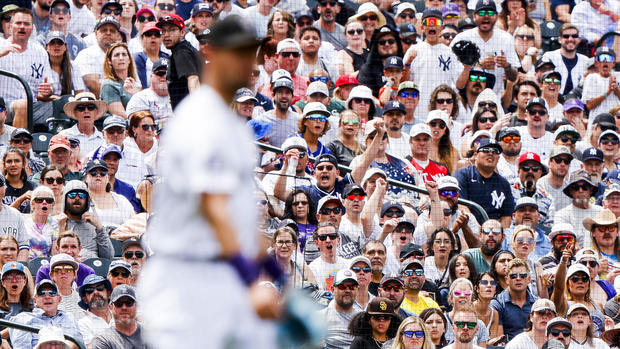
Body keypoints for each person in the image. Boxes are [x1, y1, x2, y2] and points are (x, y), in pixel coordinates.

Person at [139, 17, 280, 348]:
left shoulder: (228, 121)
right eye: (239, 53)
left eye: (252, 54)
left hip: (217, 278)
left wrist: (274, 270)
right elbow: (213, 204)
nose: (249, 63)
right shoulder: (201, 118)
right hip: (187, 283)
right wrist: (250, 280)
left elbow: (239, 216)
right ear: (211, 53)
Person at [450, 0, 519, 98]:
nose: (486, 16)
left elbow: (514, 77)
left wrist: (506, 66)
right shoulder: (462, 39)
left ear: (496, 16)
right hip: (465, 98)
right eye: (481, 13)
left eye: (490, 13)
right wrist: (478, 65)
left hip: (494, 99)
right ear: (474, 16)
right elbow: (457, 82)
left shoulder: (506, 38)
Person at [454, 139, 515, 227]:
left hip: (493, 233)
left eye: (495, 151)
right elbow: (461, 205)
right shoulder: (463, 175)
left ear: (498, 158)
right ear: (475, 155)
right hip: (466, 228)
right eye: (485, 150)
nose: (490, 153)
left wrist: (497, 233)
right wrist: (479, 230)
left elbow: (506, 216)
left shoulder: (504, 184)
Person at [10, 279, 82, 349]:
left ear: (59, 299)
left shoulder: (69, 317)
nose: (47, 297)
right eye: (42, 294)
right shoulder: (23, 319)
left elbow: (79, 344)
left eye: (52, 293)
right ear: (35, 301)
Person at [57, 180, 114, 259]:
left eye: (82, 195)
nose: (77, 198)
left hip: (94, 268)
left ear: (87, 199)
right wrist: (61, 228)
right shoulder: (57, 222)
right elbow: (54, 257)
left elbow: (108, 257)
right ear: (65, 198)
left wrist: (99, 228)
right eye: (72, 195)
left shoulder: (94, 224)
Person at [156, 13, 201, 109]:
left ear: (182, 32)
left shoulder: (181, 51)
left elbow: (193, 79)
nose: (166, 35)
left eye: (172, 30)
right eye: (163, 31)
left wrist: (197, 109)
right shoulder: (185, 49)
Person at [490, 258, 537, 341]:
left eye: (522, 275)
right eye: (513, 276)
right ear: (507, 280)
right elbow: (500, 341)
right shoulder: (497, 304)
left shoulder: (537, 304)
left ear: (529, 279)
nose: (518, 278)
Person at [555, 170, 604, 248]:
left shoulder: (601, 212)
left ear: (591, 190)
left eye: (585, 187)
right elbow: (562, 241)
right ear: (571, 191)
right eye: (576, 188)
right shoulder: (562, 215)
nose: (580, 190)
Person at [84, 159, 134, 229]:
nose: (98, 175)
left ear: (107, 177)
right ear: (86, 177)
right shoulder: (80, 198)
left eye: (102, 173)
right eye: (93, 172)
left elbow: (132, 226)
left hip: (118, 237)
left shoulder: (121, 200)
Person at [541, 24, 589, 97]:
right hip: (553, 100)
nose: (570, 39)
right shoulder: (549, 57)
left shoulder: (585, 61)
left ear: (579, 39)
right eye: (566, 36)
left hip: (577, 104)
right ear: (560, 39)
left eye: (574, 36)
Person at [318, 269, 362, 348]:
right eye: (342, 286)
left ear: (357, 290)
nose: (348, 290)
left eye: (352, 287)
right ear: (332, 289)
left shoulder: (363, 318)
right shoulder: (320, 317)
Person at [115, 110, 158, 188]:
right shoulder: (125, 144)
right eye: (145, 127)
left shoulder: (159, 145)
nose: (150, 130)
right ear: (134, 129)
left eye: (153, 126)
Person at [99, 42, 141, 118]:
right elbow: (121, 115)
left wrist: (136, 94)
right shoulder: (108, 85)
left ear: (129, 60)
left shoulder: (134, 83)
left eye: (124, 54)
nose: (121, 58)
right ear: (109, 61)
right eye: (117, 55)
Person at [582, 47, 620, 126]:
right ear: (596, 63)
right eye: (602, 58)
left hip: (616, 124)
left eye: (609, 58)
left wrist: (616, 89)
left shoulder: (618, 76)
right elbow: (589, 105)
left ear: (614, 63)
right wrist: (608, 91)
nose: (605, 61)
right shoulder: (591, 78)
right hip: (596, 124)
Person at [77, 274, 114, 347]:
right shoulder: (82, 324)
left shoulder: (120, 316)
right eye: (90, 290)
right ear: (85, 300)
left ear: (109, 294)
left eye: (100, 288)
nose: (96, 292)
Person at [48, 253, 83, 320]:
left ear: (75, 275)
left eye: (68, 269)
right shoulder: (45, 299)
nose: (63, 272)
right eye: (58, 269)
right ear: (51, 275)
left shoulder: (83, 299)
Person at [473, 272, 502, 339]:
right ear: (476, 288)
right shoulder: (469, 310)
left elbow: (492, 341)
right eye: (484, 282)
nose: (489, 285)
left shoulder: (494, 313)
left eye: (493, 283)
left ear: (495, 291)